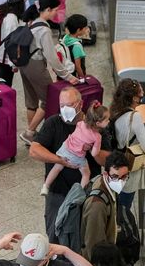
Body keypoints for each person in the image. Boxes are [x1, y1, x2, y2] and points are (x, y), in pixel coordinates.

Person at [29, 86, 111, 241]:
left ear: (80, 105)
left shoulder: (96, 128)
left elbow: (107, 160)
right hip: (57, 192)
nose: (65, 109)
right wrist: (60, 160)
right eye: (61, 105)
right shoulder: (53, 122)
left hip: (85, 195)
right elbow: (34, 150)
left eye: (70, 105)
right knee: (54, 233)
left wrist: (92, 148)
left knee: (82, 235)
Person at [68, 151, 131, 266]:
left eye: (124, 176)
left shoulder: (106, 187)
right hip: (90, 265)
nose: (121, 180)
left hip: (92, 262)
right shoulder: (97, 204)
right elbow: (94, 245)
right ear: (105, 174)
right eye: (116, 176)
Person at [18, 0, 80, 146]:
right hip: (36, 66)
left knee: (31, 101)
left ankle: (30, 135)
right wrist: (67, 76)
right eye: (55, 10)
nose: (56, 13)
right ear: (47, 9)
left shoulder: (31, 20)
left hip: (24, 64)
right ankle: (29, 132)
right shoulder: (44, 29)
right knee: (49, 99)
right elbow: (52, 57)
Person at [41, 102, 109, 195]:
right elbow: (94, 154)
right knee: (86, 174)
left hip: (65, 149)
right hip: (76, 156)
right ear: (98, 123)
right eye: (107, 120)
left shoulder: (80, 123)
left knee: (57, 167)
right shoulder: (97, 137)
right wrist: (93, 147)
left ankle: (46, 186)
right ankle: (79, 194)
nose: (108, 121)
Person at [109, 78, 145, 210]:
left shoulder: (115, 109)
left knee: (118, 199)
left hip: (116, 161)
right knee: (125, 204)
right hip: (129, 166)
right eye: (141, 91)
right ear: (135, 98)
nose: (143, 93)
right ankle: (121, 226)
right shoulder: (134, 117)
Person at [0, 0, 28, 86]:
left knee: (3, 81)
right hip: (6, 57)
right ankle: (2, 101)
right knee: (5, 84)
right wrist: (13, 63)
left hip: (4, 54)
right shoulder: (12, 18)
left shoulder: (6, 8)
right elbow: (11, 42)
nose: (25, 1)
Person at [61, 14, 89, 80]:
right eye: (85, 28)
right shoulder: (77, 46)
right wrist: (82, 78)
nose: (86, 29)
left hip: (68, 70)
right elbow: (78, 66)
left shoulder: (66, 37)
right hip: (75, 75)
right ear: (78, 30)